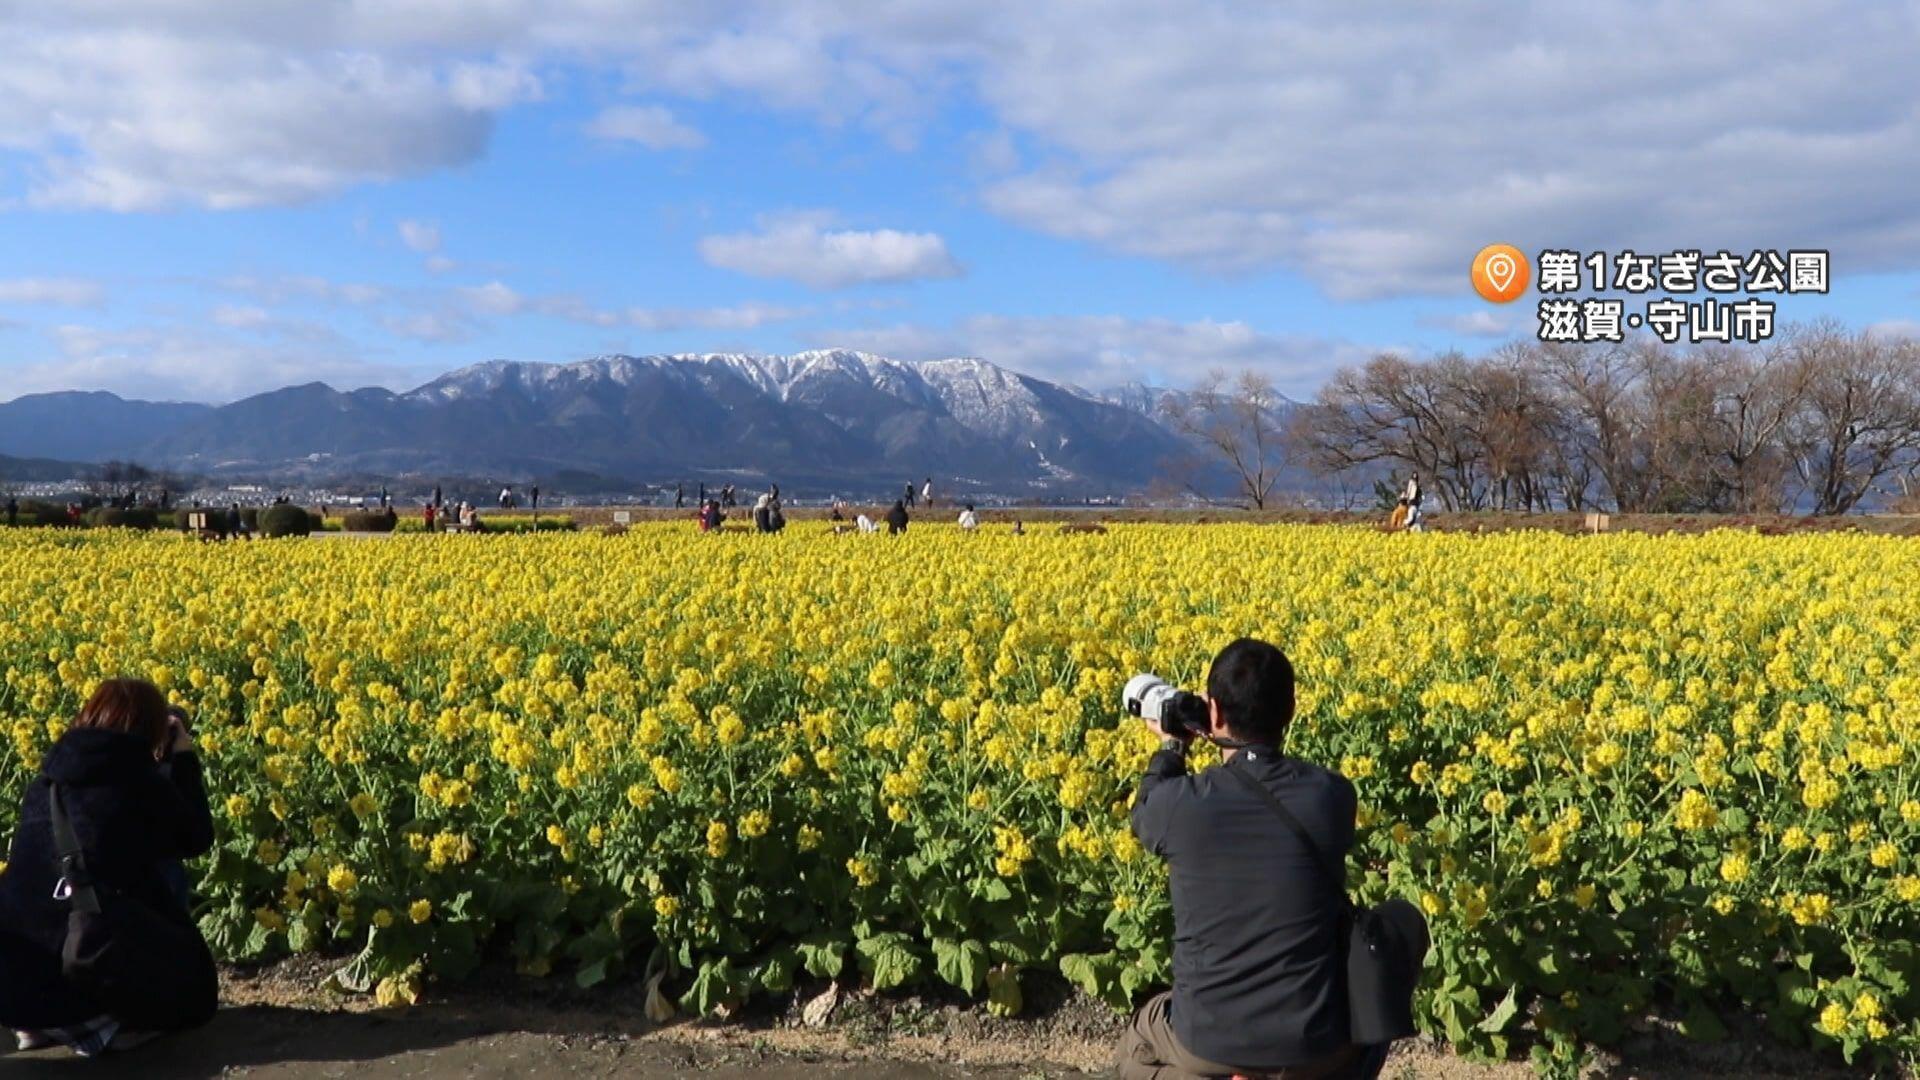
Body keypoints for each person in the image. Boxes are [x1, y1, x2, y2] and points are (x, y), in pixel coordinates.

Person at [1117, 639, 1392, 1080]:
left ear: (1215, 713)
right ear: (1291, 709)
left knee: (1143, 1032)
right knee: (1389, 955)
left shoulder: (1180, 806)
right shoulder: (1333, 796)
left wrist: (1173, 745)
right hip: (1315, 1048)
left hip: (1210, 1042)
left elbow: (1145, 813)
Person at [0, 679, 217, 1055]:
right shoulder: (136, 784)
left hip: (16, 991)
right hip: (84, 979)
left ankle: (40, 1027)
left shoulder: (45, 785)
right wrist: (181, 759)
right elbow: (195, 838)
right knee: (166, 867)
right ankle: (129, 1015)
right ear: (149, 729)